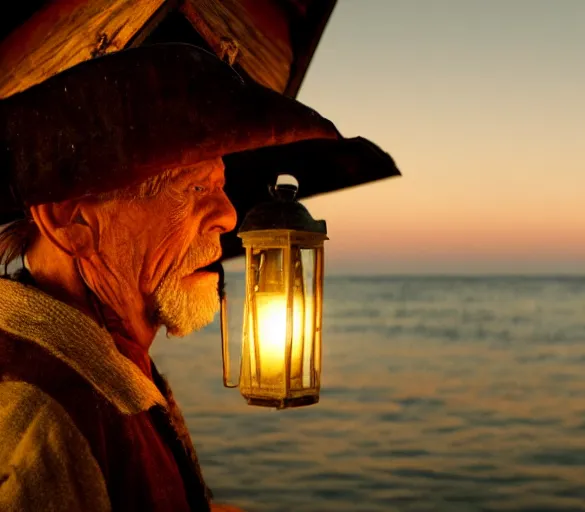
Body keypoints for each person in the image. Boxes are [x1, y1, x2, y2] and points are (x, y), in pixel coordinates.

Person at [0, 44, 399, 512]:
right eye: (193, 187)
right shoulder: (44, 424)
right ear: (72, 221)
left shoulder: (101, 369)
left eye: (221, 186)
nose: (229, 216)